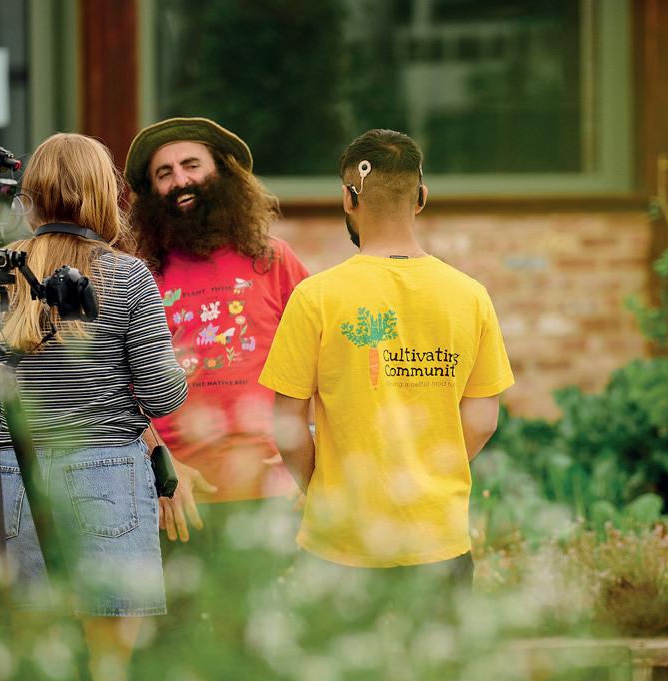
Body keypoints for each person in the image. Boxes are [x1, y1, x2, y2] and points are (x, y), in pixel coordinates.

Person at [0, 133, 187, 681]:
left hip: (13, 480)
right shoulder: (127, 276)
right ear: (105, 194)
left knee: (37, 667)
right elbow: (161, 397)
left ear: (32, 196)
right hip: (108, 478)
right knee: (109, 669)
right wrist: (181, 372)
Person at [259, 128, 514, 587]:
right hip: (438, 537)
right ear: (421, 198)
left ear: (348, 198)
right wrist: (427, 471)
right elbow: (482, 419)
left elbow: (288, 425)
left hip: (341, 540)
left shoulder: (316, 297)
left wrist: (323, 488)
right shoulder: (471, 296)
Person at [124, 117, 309, 547]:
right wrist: (162, 465)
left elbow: (329, 362)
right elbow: (116, 384)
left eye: (192, 165)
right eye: (164, 173)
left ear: (223, 173)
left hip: (275, 499)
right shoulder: (138, 275)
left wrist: (316, 462)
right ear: (151, 193)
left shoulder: (274, 260)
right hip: (177, 503)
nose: (180, 181)